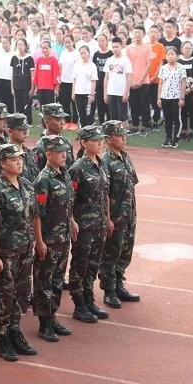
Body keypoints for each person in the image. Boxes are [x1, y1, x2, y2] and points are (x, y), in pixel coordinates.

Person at [0, 143, 38, 361]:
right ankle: (2, 337)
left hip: (25, 249)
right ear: (3, 163)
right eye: (14, 160)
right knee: (4, 295)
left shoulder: (26, 185)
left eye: (20, 159)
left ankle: (15, 330)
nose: (19, 162)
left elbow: (34, 216)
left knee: (21, 294)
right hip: (6, 253)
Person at [32, 135, 77, 342]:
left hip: (63, 237)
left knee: (57, 280)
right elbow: (38, 214)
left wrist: (72, 221)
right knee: (45, 282)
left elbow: (68, 204)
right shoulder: (43, 180)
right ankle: (44, 323)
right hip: (49, 240)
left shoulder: (65, 174)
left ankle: (53, 316)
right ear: (48, 155)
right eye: (60, 152)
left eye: (65, 152)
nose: (64, 155)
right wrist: (39, 241)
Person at [68, 125, 111, 324]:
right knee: (80, 265)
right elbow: (70, 200)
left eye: (101, 139)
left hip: (100, 224)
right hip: (84, 226)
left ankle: (89, 299)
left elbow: (106, 196)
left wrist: (108, 218)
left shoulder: (101, 164)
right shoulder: (77, 169)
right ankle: (79, 304)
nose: (100, 143)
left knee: (93, 265)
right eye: (95, 140)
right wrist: (72, 222)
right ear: (84, 143)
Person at [98, 121, 140, 309]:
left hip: (129, 214)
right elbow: (104, 194)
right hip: (115, 217)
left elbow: (132, 183)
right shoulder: (105, 162)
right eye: (119, 135)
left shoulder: (125, 157)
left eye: (124, 134)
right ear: (108, 139)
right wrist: (107, 219)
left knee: (125, 251)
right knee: (111, 252)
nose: (124, 138)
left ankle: (119, 283)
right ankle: (109, 289)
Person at [156, 47, 187, 148]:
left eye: (172, 54)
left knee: (176, 118)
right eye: (168, 54)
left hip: (176, 97)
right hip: (165, 96)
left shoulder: (181, 67)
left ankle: (175, 138)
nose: (170, 56)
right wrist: (159, 98)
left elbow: (183, 83)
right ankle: (168, 137)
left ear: (177, 56)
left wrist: (182, 98)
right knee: (167, 118)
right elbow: (160, 83)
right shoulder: (163, 68)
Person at [126, 27, 152, 134]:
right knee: (134, 104)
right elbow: (127, 65)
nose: (137, 34)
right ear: (132, 33)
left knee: (144, 104)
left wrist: (141, 80)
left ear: (144, 34)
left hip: (144, 81)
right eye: (135, 32)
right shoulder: (129, 48)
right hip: (131, 81)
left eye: (139, 33)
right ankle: (135, 125)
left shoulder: (147, 47)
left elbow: (149, 64)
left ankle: (145, 125)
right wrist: (131, 81)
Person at [103, 37, 133, 126]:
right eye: (113, 47)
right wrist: (105, 93)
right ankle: (116, 136)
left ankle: (124, 137)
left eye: (117, 47)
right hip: (111, 92)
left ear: (121, 46)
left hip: (121, 93)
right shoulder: (109, 60)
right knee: (114, 117)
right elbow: (106, 78)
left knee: (123, 116)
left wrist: (126, 93)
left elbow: (129, 77)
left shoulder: (126, 60)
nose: (115, 49)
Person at [72, 45, 98, 128]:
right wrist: (73, 92)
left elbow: (94, 81)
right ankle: (82, 131)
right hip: (78, 92)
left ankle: (89, 131)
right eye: (81, 53)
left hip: (87, 93)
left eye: (85, 53)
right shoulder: (77, 65)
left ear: (89, 54)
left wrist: (92, 94)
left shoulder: (92, 65)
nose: (83, 55)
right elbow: (74, 79)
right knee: (81, 113)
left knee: (88, 114)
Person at [10, 38, 35, 122]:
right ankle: (19, 122)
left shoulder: (30, 58)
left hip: (26, 86)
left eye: (22, 45)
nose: (20, 47)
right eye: (18, 45)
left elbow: (32, 74)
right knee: (18, 105)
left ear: (25, 46)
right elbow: (12, 74)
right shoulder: (14, 58)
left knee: (27, 105)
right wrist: (12, 87)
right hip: (17, 85)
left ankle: (28, 121)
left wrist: (32, 88)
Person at [33, 40, 60, 105]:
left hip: (50, 88)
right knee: (42, 107)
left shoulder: (54, 60)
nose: (44, 50)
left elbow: (56, 74)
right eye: (43, 48)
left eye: (46, 48)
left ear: (50, 49)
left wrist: (56, 88)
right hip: (41, 88)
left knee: (50, 108)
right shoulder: (39, 60)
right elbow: (36, 74)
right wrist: (36, 87)